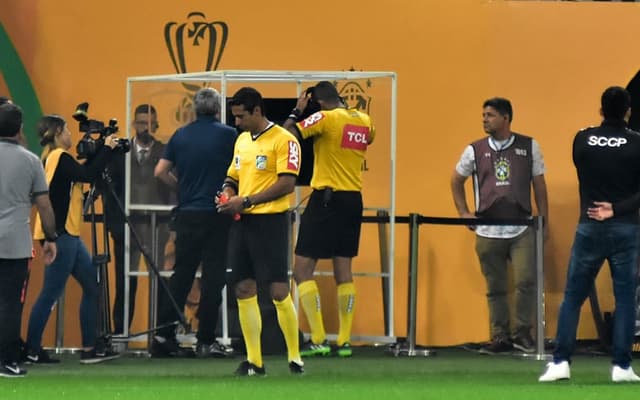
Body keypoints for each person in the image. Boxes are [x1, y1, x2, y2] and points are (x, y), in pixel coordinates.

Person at [539, 86, 640, 382]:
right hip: (626, 228)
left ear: (600, 111)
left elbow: (584, 170)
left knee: (573, 296)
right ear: (628, 111)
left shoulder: (582, 139)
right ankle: (621, 367)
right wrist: (617, 209)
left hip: (589, 226)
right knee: (624, 299)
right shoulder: (637, 144)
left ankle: (560, 362)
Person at [282, 81, 375, 357]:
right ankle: (344, 341)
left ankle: (320, 338)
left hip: (326, 198)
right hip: (353, 199)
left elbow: (286, 136)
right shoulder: (364, 119)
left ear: (318, 102)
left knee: (301, 270)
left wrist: (296, 111)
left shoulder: (324, 117)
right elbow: (368, 138)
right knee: (343, 271)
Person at [450, 97, 548, 354]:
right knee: (495, 287)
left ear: (506, 118)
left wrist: (543, 218)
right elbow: (456, 180)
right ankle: (500, 336)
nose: (484, 119)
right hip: (487, 229)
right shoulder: (474, 149)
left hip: (521, 227)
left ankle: (523, 334)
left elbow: (539, 184)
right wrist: (463, 212)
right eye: (483, 115)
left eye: (490, 115)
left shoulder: (529, 146)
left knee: (526, 281)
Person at [217, 86, 304, 375]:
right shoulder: (241, 140)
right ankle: (255, 361)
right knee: (243, 287)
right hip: (243, 221)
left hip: (271, 222)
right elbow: (233, 175)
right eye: (235, 117)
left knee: (278, 290)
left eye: (241, 116)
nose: (237, 122)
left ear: (257, 111)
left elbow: (287, 184)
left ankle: (295, 357)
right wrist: (228, 193)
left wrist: (248, 200)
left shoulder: (285, 140)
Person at [25, 114, 120, 365]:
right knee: (51, 293)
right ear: (58, 132)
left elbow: (81, 173)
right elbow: (88, 175)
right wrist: (107, 149)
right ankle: (32, 349)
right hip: (60, 235)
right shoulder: (58, 157)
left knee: (92, 287)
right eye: (67, 130)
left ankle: (89, 348)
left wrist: (99, 152)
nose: (71, 135)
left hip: (68, 235)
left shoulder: (51, 158)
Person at [152, 87, 236, 358]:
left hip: (187, 213)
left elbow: (160, 172)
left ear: (195, 109)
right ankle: (205, 340)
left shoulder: (180, 135)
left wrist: (182, 189)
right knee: (213, 278)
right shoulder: (228, 135)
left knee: (181, 276)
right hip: (217, 213)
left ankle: (164, 336)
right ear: (217, 109)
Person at [105, 104, 173, 335]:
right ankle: (120, 332)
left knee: (160, 281)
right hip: (127, 226)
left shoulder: (166, 152)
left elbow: (173, 189)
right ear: (134, 124)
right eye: (141, 122)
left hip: (157, 226)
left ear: (156, 124)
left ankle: (161, 335)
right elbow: (109, 188)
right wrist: (114, 223)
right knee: (125, 282)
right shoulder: (119, 152)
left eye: (150, 122)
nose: (145, 127)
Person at [0, 103, 57, 377]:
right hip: (15, 244)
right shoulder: (31, 160)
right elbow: (44, 205)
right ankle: (7, 361)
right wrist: (50, 238)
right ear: (20, 129)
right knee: (11, 304)